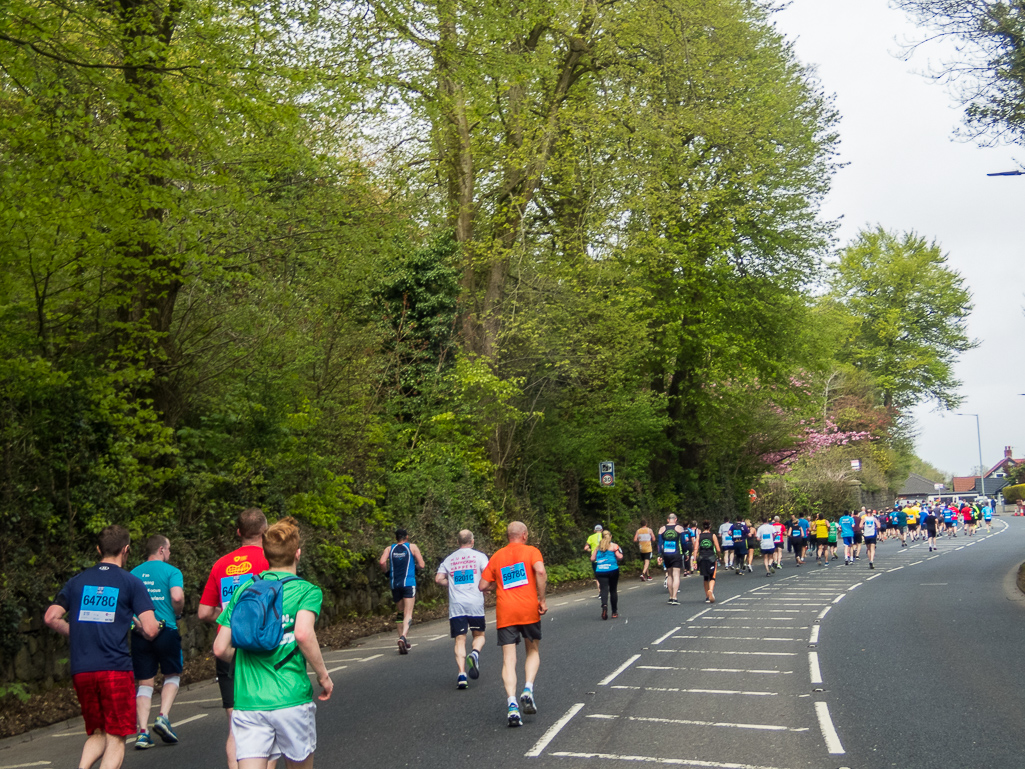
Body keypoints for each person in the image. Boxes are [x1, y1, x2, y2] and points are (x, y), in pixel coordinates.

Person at [213, 517, 333, 769]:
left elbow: (220, 648)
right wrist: (323, 676)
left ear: (266, 555)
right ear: (297, 554)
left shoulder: (244, 589)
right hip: (291, 697)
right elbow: (302, 633)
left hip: (248, 701)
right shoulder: (307, 591)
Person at [44, 525, 159, 769]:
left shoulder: (77, 582)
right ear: (126, 550)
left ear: (98, 549)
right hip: (114, 669)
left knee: (97, 732)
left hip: (82, 670)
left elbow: (51, 617)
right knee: (117, 736)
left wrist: (76, 633)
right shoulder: (131, 582)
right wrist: (140, 627)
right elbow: (150, 629)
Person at [199, 508, 271, 769]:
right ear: (265, 530)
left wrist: (227, 616)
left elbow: (204, 612)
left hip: (227, 646)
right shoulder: (269, 560)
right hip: (262, 648)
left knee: (236, 726)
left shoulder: (220, 565)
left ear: (238, 532)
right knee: (268, 721)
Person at [478, 521, 547, 728]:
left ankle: (512, 705)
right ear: (524, 535)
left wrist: (496, 583)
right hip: (528, 610)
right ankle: (527, 689)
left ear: (508, 536)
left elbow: (482, 585)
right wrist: (541, 599)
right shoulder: (532, 551)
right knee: (532, 650)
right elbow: (541, 572)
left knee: (509, 660)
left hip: (505, 612)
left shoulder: (498, 556)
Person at [130, 535, 185, 749]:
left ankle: (142, 733)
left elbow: (124, 606)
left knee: (144, 683)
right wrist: (177, 614)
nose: (170, 554)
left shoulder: (133, 574)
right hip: (166, 629)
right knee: (172, 674)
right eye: (169, 550)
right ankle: (163, 717)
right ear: (161, 550)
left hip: (140, 633)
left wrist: (137, 625)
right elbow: (178, 597)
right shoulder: (172, 572)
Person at [435, 530, 490, 689]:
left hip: (457, 605)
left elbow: (438, 579)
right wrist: (485, 587)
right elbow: (487, 576)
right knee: (479, 635)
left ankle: (461, 674)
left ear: (458, 542)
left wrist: (451, 583)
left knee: (460, 639)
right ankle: (475, 653)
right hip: (475, 604)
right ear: (472, 541)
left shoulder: (450, 559)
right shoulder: (480, 557)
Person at [379, 528, 426, 654]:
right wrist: (414, 567)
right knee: (408, 613)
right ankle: (403, 637)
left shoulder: (389, 549)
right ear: (407, 537)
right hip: (409, 583)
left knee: (400, 612)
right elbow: (422, 565)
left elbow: (382, 562)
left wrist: (386, 573)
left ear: (396, 538)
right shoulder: (412, 547)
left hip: (395, 584)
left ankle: (401, 639)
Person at [591, 530, 624, 619]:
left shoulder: (598, 547)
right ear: (611, 537)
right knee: (613, 590)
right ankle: (614, 612)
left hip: (600, 571)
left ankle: (604, 606)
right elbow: (620, 556)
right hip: (612, 570)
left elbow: (592, 558)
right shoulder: (614, 546)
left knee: (604, 589)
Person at [657, 514, 686, 604]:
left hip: (666, 554)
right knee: (676, 575)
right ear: (676, 519)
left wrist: (659, 555)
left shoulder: (662, 529)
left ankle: (670, 597)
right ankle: (674, 597)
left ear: (667, 520)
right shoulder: (679, 528)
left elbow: (659, 543)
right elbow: (683, 542)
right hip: (676, 553)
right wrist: (686, 552)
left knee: (669, 575)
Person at [693, 521, 721, 601]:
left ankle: (707, 596)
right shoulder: (713, 535)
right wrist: (719, 556)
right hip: (711, 558)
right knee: (712, 576)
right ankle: (711, 591)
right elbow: (718, 548)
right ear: (710, 527)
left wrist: (695, 561)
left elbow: (695, 549)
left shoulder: (699, 536)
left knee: (705, 577)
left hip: (702, 558)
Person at [584, 525, 603, 594]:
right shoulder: (604, 536)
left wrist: (591, 550)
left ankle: (600, 592)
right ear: (602, 530)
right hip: (604, 558)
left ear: (594, 530)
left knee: (598, 576)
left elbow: (586, 547)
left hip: (595, 559)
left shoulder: (591, 537)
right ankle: (606, 589)